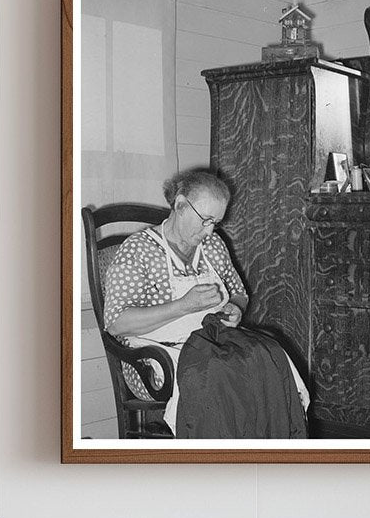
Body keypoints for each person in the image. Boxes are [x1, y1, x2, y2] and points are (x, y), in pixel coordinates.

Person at [101, 168, 307, 435]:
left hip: (213, 340)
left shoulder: (212, 246)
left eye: (216, 223)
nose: (209, 231)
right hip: (154, 354)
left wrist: (235, 307)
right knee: (218, 374)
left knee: (270, 356)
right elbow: (116, 324)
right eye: (205, 220)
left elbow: (238, 292)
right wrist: (183, 306)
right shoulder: (138, 250)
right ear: (181, 205)